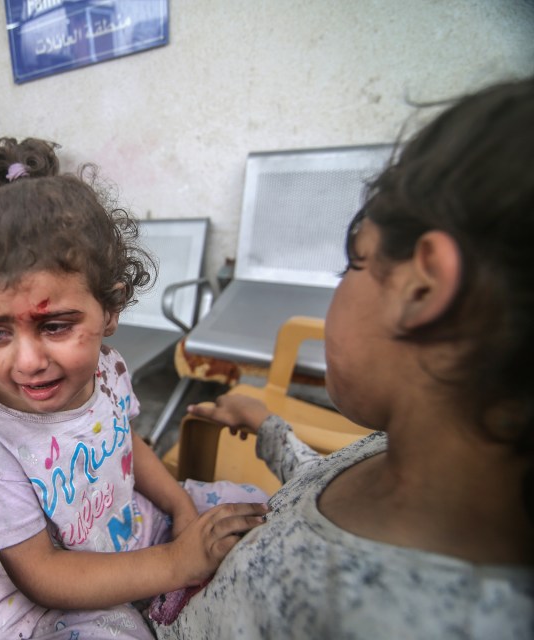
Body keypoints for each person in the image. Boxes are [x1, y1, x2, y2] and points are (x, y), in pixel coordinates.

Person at [152, 77, 534, 638]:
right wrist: (266, 423)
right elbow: (318, 492)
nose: (338, 290)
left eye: (353, 265)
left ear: (421, 288)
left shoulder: (388, 617)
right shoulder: (396, 455)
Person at [0, 170, 269, 639]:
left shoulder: (105, 369)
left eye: (55, 326)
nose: (27, 362)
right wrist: (177, 562)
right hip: (49, 606)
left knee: (253, 511)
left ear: (110, 310)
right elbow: (41, 574)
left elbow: (127, 444)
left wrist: (182, 507)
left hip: (131, 530)